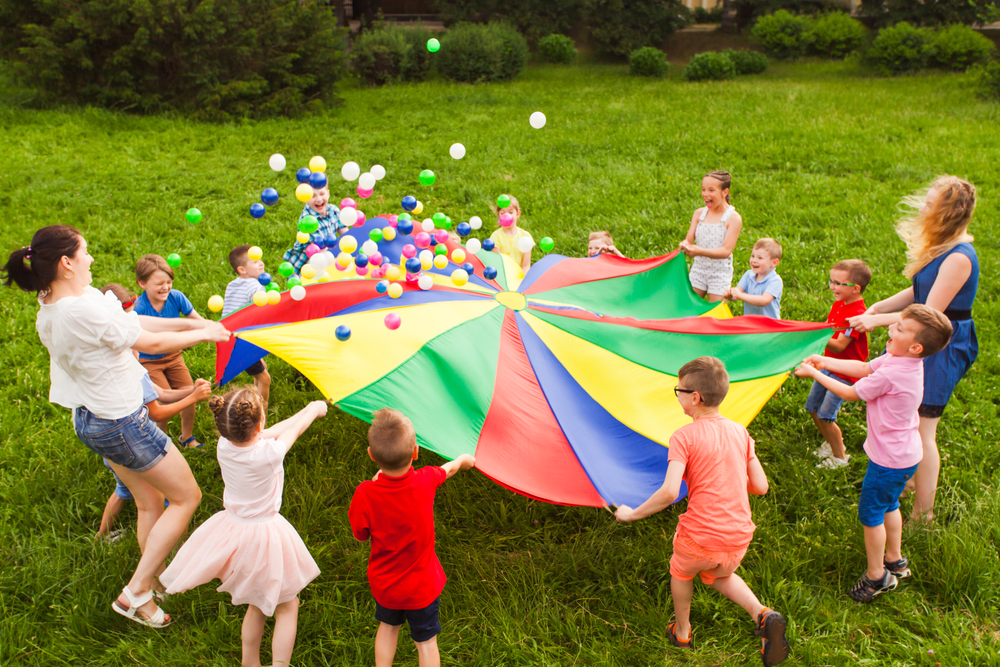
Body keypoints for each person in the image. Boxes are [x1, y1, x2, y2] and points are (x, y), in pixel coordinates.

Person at [2, 225, 230, 628]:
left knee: (148, 502)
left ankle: (152, 583)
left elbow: (138, 323)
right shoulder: (80, 310)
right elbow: (147, 342)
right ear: (66, 262)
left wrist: (192, 327)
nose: (91, 259)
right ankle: (136, 591)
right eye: (85, 253)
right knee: (186, 497)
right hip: (122, 422)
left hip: (92, 419)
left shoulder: (56, 302)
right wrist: (206, 333)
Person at [615, 357, 789, 666]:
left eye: (678, 390)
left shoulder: (684, 437)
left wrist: (632, 514)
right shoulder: (740, 432)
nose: (678, 395)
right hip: (738, 537)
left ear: (694, 398)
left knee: (682, 571)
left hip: (699, 536)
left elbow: (669, 491)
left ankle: (682, 631)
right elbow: (760, 486)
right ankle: (763, 614)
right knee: (719, 573)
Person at [795, 305, 952, 601]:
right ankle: (895, 559)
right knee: (890, 505)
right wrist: (824, 360)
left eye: (899, 329)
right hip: (905, 455)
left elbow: (851, 393)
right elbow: (865, 368)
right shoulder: (901, 360)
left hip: (888, 461)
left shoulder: (894, 374)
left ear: (916, 346)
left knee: (871, 516)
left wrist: (815, 372)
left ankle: (876, 576)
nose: (890, 330)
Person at [160, 388, 325, 667]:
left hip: (236, 532)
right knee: (288, 605)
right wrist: (313, 409)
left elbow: (274, 430)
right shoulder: (268, 454)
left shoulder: (224, 445)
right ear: (258, 425)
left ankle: (250, 663)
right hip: (264, 537)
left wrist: (306, 410)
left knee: (257, 604)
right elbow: (291, 433)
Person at [848, 176, 978, 522]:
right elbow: (917, 290)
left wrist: (877, 321)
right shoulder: (942, 248)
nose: (922, 208)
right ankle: (907, 477)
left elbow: (929, 314)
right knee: (909, 416)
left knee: (923, 426)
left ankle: (924, 513)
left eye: (929, 203)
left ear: (946, 215)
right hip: (927, 335)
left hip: (942, 343)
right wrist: (877, 306)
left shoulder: (959, 258)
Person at [349, 408, 476, 667]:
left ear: (371, 455)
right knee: (426, 643)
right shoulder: (426, 480)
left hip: (387, 585)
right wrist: (463, 460)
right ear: (416, 452)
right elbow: (448, 469)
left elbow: (360, 535)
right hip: (422, 587)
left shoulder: (365, 494)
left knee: (387, 627)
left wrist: (376, 484)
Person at [134, 254, 205, 449]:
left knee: (189, 395)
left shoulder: (176, 297)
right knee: (163, 405)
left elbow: (197, 321)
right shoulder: (139, 309)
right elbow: (143, 342)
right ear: (142, 284)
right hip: (149, 362)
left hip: (174, 357)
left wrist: (212, 328)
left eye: (169, 282)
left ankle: (187, 437)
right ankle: (161, 443)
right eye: (159, 283)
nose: (165, 287)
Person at [806, 259, 871, 469]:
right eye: (831, 281)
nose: (832, 286)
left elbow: (840, 345)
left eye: (837, 283)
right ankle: (831, 443)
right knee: (813, 408)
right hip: (828, 365)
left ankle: (840, 457)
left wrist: (814, 337)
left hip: (844, 371)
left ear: (855, 288)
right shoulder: (839, 304)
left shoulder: (857, 315)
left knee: (826, 415)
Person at [679, 171, 743, 302]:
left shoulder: (733, 218)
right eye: (703, 189)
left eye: (711, 190)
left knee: (715, 315)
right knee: (689, 309)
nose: (705, 194)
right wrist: (685, 245)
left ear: (725, 192)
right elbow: (689, 240)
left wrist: (699, 251)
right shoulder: (699, 214)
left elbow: (726, 251)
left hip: (719, 274)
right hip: (698, 270)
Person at [222, 245, 272, 404]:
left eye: (260, 259)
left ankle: (255, 402)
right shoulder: (256, 287)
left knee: (260, 368)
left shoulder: (232, 284)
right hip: (242, 341)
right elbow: (262, 312)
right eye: (255, 261)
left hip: (229, 336)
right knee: (265, 379)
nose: (261, 263)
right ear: (242, 270)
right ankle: (261, 415)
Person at [283, 184, 344, 273]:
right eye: (313, 196)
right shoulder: (307, 221)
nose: (319, 199)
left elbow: (345, 234)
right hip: (306, 268)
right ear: (305, 198)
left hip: (326, 258)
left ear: (328, 193)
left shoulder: (334, 210)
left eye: (322, 194)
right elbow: (320, 250)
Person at [726, 238, 783, 319]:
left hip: (770, 326)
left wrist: (740, 295)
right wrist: (730, 295)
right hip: (751, 323)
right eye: (753, 256)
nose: (754, 260)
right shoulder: (748, 275)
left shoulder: (775, 280)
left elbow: (764, 300)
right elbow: (737, 294)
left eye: (760, 258)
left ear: (774, 263)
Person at [489, 195, 533, 273]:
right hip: (503, 277)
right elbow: (497, 264)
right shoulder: (496, 237)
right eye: (502, 213)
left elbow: (526, 265)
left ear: (518, 214)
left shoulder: (526, 236)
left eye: (510, 212)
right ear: (499, 216)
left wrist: (522, 281)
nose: (507, 216)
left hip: (520, 276)